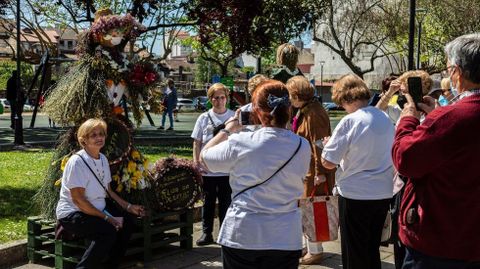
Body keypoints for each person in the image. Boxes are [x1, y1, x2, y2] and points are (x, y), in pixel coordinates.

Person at [200, 80, 311, 269]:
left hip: (244, 233)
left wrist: (228, 129)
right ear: (289, 110)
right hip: (284, 236)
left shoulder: (241, 141)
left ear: (257, 112)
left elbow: (205, 158)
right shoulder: (302, 145)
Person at [392, 33, 480, 269]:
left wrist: (408, 120)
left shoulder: (454, 116)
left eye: (448, 68)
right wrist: (434, 119)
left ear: (457, 72)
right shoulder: (450, 116)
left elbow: (405, 158)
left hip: (440, 242)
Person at [320, 74, 394, 269]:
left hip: (356, 193)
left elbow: (328, 162)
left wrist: (328, 146)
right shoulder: (384, 117)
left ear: (345, 98)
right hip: (382, 191)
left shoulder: (350, 121)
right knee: (371, 249)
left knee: (354, 253)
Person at [56, 118, 145, 269]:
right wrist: (107, 218)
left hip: (97, 209)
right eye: (93, 135)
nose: (99, 138)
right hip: (74, 213)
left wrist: (129, 207)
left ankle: (111, 265)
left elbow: (108, 190)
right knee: (107, 232)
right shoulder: (77, 162)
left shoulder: (102, 159)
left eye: (101, 134)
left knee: (127, 223)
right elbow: (79, 200)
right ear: (83, 140)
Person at [285, 75, 335, 265]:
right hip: (307, 170)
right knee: (306, 210)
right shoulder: (307, 110)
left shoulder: (314, 113)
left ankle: (315, 251)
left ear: (298, 94)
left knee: (313, 210)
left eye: (291, 95)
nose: (289, 99)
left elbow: (320, 145)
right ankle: (310, 247)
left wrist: (320, 173)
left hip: (314, 173)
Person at [191, 83, 235, 246]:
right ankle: (206, 233)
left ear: (227, 98)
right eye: (216, 98)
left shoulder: (233, 117)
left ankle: (224, 233)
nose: (219, 101)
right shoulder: (203, 118)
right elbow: (197, 142)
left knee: (226, 203)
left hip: (227, 170)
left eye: (222, 97)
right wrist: (196, 162)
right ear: (210, 99)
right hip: (207, 170)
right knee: (208, 202)